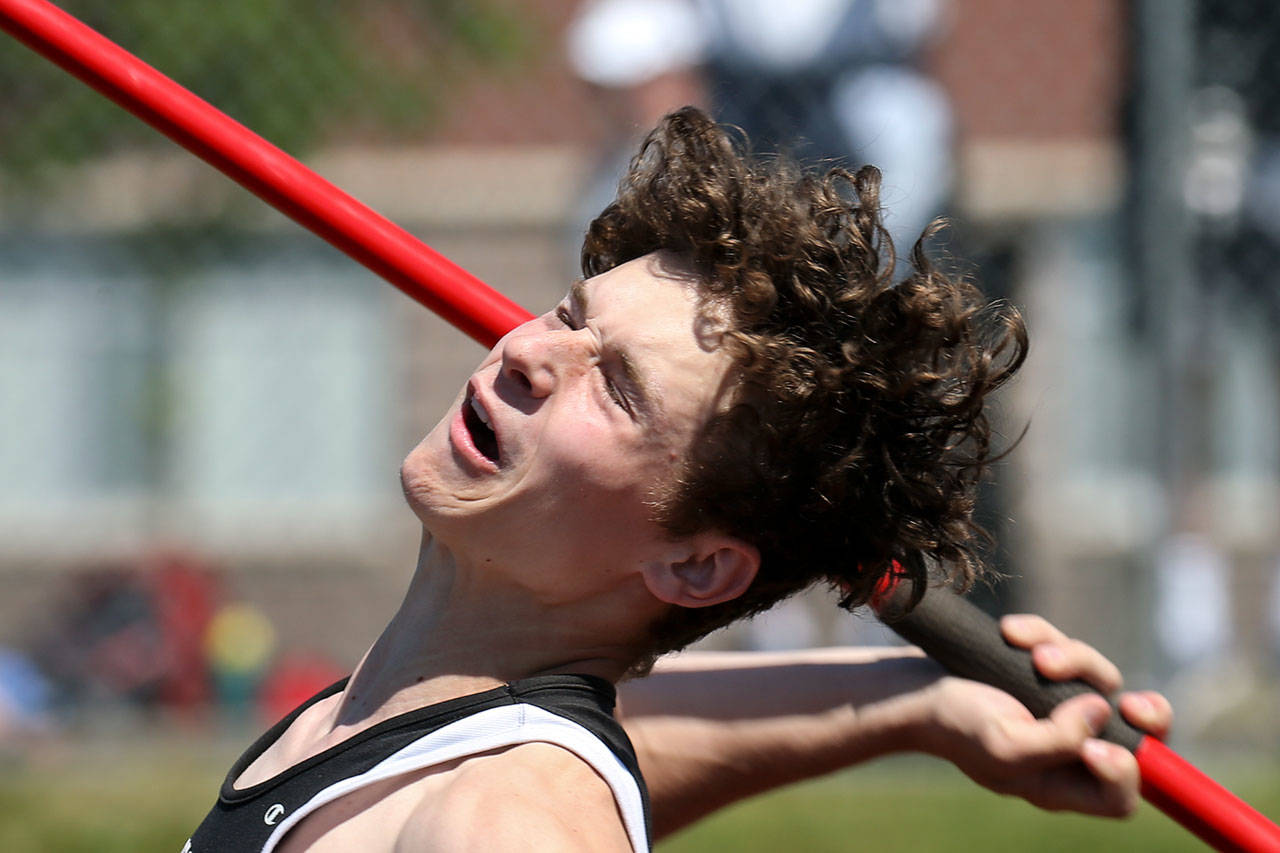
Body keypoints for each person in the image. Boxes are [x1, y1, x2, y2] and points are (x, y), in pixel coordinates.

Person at [185, 107, 1172, 852]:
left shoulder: (504, 819)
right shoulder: (417, 719)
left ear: (696, 564)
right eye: (573, 314)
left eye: (616, 389)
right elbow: (620, 742)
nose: (534, 353)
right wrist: (918, 697)